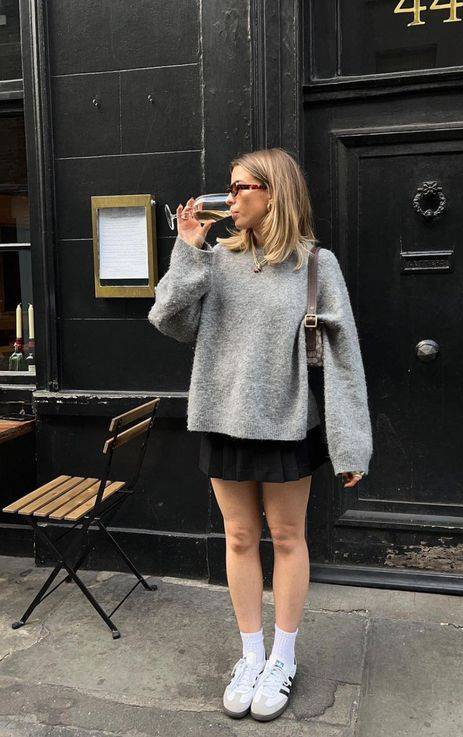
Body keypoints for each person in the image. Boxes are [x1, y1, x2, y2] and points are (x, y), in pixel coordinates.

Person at [147, 148, 373, 722]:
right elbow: (168, 319)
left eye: (240, 187)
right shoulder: (217, 260)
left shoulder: (316, 265)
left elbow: (344, 360)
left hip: (287, 423)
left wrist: (351, 444)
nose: (229, 199)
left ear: (275, 193)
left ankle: (283, 657)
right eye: (228, 187)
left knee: (289, 539)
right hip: (224, 417)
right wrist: (188, 248)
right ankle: (251, 655)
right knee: (240, 537)